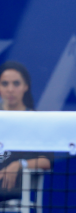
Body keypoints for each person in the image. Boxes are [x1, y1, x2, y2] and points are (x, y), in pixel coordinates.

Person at [0, 62, 51, 203]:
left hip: (13, 188)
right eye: (5, 84)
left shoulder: (36, 120)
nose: (10, 89)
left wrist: (19, 164)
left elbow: (47, 161)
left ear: (25, 87)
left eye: (16, 83)